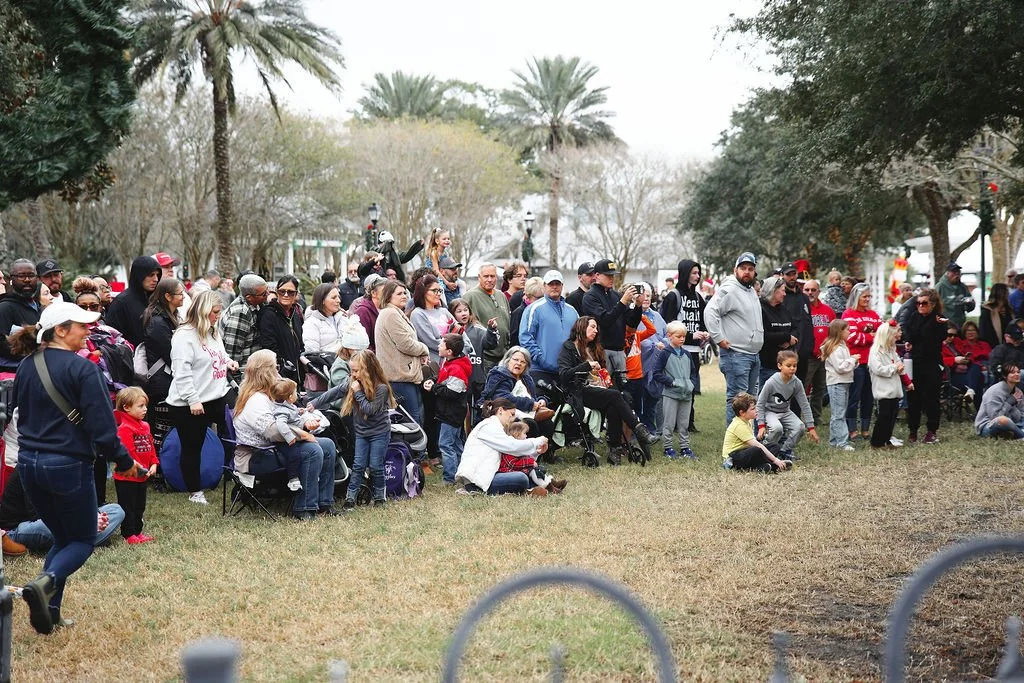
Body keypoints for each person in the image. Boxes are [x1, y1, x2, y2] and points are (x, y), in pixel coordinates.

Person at [13, 302, 145, 634]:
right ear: (61, 330)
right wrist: (127, 462)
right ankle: (45, 583)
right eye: (82, 326)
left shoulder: (28, 365)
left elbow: (19, 415)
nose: (88, 331)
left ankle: (49, 613)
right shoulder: (83, 370)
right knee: (83, 540)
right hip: (67, 466)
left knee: (63, 537)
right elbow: (103, 430)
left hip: (28, 464)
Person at [231, 350, 338, 520]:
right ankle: (304, 508)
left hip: (277, 448)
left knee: (328, 445)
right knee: (312, 450)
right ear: (265, 373)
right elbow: (273, 432)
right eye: (275, 368)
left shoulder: (270, 395)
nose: (278, 372)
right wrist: (303, 434)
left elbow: (287, 419)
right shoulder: (255, 400)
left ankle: (324, 502)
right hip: (256, 455)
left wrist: (304, 423)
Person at [166, 290, 237, 505]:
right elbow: (182, 371)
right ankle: (195, 491)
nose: (218, 316)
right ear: (203, 311)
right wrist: (192, 399)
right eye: (215, 312)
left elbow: (219, 354)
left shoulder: (213, 331)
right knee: (192, 446)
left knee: (232, 434)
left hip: (216, 395)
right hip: (188, 402)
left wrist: (228, 362)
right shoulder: (184, 336)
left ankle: (230, 474)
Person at [557, 316, 659, 465]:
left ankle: (615, 450)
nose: (596, 330)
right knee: (615, 396)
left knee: (614, 404)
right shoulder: (569, 347)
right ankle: (638, 430)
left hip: (598, 390)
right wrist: (587, 366)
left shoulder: (594, 348)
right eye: (592, 327)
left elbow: (603, 374)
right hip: (578, 392)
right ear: (581, 327)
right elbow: (564, 375)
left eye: (596, 328)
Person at [0, 468, 126, 552]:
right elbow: (37, 515)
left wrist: (94, 516)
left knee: (116, 510)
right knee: (47, 528)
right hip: (22, 528)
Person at [705, 251, 764, 424]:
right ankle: (735, 445)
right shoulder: (730, 289)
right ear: (735, 270)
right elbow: (710, 311)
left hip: (753, 354)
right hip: (736, 355)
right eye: (743, 268)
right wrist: (718, 337)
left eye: (750, 269)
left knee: (751, 401)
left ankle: (748, 441)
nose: (747, 272)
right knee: (738, 400)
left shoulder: (750, 290)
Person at [454, 399, 549, 496]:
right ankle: (531, 489)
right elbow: (512, 447)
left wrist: (536, 452)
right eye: (511, 414)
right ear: (500, 411)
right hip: (477, 480)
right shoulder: (488, 426)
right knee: (521, 478)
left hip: (488, 475)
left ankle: (533, 488)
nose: (513, 418)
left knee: (527, 473)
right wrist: (538, 441)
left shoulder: (495, 427)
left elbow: (513, 451)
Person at [339, 350, 396, 510]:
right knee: (358, 465)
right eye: (352, 370)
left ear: (368, 369)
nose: (353, 374)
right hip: (362, 433)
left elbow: (369, 410)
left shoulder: (382, 389)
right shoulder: (354, 382)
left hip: (379, 432)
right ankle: (350, 498)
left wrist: (357, 392)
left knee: (376, 465)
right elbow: (334, 392)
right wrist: (313, 404)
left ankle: (380, 497)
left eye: (356, 370)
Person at [659, 259, 710, 432]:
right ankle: (672, 423)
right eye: (693, 273)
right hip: (677, 350)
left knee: (690, 386)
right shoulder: (673, 296)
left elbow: (703, 320)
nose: (697, 276)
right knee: (675, 386)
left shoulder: (698, 297)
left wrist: (704, 334)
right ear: (685, 273)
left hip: (694, 350)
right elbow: (668, 324)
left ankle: (688, 421)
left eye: (698, 273)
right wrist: (689, 335)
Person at [374, 280, 429, 439]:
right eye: (399, 293)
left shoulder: (395, 312)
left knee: (413, 419)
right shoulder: (390, 314)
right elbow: (405, 344)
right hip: (398, 377)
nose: (404, 296)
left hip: (404, 375)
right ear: (388, 296)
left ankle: (415, 458)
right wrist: (424, 349)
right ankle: (412, 458)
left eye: (405, 292)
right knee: (411, 421)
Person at [422, 333, 471, 484]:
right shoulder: (450, 363)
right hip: (452, 411)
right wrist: (433, 380)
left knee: (446, 445)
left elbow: (453, 392)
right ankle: (465, 472)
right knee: (456, 444)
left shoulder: (456, 368)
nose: (438, 346)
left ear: (449, 351)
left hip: (451, 412)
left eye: (441, 345)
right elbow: (444, 378)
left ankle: (449, 478)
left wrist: (434, 389)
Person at [582, 259, 642, 382]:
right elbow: (605, 320)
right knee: (603, 387)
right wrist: (622, 302)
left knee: (622, 389)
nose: (612, 278)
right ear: (597, 275)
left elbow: (631, 323)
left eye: (613, 275)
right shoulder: (590, 296)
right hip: (601, 350)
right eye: (608, 275)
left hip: (619, 349)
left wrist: (638, 306)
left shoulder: (616, 295)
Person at [519, 270, 579, 390]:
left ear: (562, 286)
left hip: (567, 372)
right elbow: (525, 338)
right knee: (544, 407)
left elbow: (579, 338)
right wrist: (541, 358)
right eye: (551, 284)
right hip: (540, 371)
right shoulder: (534, 309)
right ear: (544, 286)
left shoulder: (572, 311)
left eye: (557, 283)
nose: (554, 287)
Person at [113, 387, 158, 544]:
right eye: (140, 406)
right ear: (126, 407)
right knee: (128, 506)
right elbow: (129, 453)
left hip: (142, 476)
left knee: (140, 505)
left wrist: (154, 463)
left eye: (145, 405)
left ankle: (138, 532)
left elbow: (151, 446)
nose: (145, 409)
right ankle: (128, 534)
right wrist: (141, 468)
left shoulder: (145, 426)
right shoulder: (124, 429)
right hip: (126, 477)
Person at [902, 288, 947, 444]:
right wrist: (909, 341)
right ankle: (913, 430)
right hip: (915, 363)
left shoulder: (938, 319)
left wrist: (937, 325)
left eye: (924, 303)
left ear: (933, 304)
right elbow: (906, 332)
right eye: (918, 303)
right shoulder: (914, 316)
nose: (920, 306)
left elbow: (939, 337)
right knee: (913, 398)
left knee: (931, 398)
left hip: (931, 362)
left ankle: (931, 430)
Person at [756, 350, 819, 459]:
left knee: (799, 427)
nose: (792, 368)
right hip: (770, 411)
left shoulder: (796, 383)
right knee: (777, 428)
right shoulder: (771, 382)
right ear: (780, 366)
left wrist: (811, 427)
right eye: (788, 365)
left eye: (794, 365)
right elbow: (760, 404)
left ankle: (784, 451)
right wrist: (761, 426)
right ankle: (765, 450)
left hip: (785, 411)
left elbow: (804, 404)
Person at [647, 321, 696, 460]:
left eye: (684, 336)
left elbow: (693, 372)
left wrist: (692, 384)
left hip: (686, 394)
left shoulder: (687, 354)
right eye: (678, 336)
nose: (682, 339)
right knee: (668, 423)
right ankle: (668, 448)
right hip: (670, 394)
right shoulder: (665, 354)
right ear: (669, 336)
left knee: (684, 423)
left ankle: (685, 447)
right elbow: (656, 373)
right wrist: (672, 382)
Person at [481, 346, 552, 440]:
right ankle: (525, 453)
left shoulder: (526, 378)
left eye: (523, 362)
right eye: (515, 360)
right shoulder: (499, 375)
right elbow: (502, 398)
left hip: (527, 412)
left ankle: (542, 453)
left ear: (526, 365)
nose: (518, 363)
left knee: (547, 424)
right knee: (530, 425)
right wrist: (530, 404)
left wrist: (540, 401)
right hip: (504, 412)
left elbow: (532, 397)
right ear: (508, 360)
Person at [842, 283, 882, 440]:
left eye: (869, 296)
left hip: (872, 362)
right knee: (854, 396)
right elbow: (852, 338)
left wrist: (867, 334)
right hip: (856, 362)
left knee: (868, 397)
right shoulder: (848, 313)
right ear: (856, 296)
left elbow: (882, 334)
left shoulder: (873, 314)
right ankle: (852, 430)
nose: (867, 299)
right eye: (864, 296)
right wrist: (871, 336)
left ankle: (865, 429)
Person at [447, 298, 498, 417]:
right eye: (459, 311)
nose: (463, 313)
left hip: (476, 376)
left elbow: (491, 344)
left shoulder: (478, 329)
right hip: (458, 377)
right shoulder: (450, 331)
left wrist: (491, 329)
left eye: (466, 310)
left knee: (477, 409)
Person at [270, 378, 321, 492]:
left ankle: (312, 476)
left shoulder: (288, 405)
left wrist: (299, 411)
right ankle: (293, 478)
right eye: (295, 392)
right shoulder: (281, 411)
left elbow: (292, 412)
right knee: (294, 455)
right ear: (290, 397)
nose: (296, 394)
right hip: (286, 440)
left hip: (295, 434)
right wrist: (289, 437)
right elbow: (281, 424)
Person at [868, 322, 913, 449]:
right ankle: (876, 442)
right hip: (883, 389)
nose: (898, 336)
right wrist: (894, 368)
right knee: (884, 415)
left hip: (894, 387)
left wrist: (907, 381)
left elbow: (899, 364)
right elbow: (878, 369)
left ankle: (886, 439)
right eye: (895, 335)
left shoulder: (892, 350)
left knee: (893, 415)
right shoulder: (876, 352)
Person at [721, 393, 791, 473]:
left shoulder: (748, 420)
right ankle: (773, 465)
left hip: (746, 451)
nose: (756, 410)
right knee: (757, 449)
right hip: (733, 458)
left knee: (774, 446)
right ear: (742, 413)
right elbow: (757, 445)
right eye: (753, 409)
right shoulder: (739, 425)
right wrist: (775, 460)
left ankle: (763, 467)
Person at [141, 278, 184, 405]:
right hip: (162, 384)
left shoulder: (173, 316)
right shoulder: (157, 323)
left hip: (168, 379)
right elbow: (170, 353)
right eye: (180, 294)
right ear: (168, 296)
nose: (183, 297)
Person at [105, 256, 161, 346]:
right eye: (151, 275)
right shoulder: (121, 302)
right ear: (139, 275)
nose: (156, 279)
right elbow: (112, 338)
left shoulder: (154, 300)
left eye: (157, 275)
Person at [462, 263, 510, 370]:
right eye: (486, 276)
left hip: (504, 357)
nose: (489, 279)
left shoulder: (501, 295)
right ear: (479, 277)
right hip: (485, 358)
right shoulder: (470, 296)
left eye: (492, 276)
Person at [821, 319, 858, 451]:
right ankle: (842, 442)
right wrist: (853, 360)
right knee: (839, 414)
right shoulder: (835, 348)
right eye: (847, 329)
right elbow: (841, 367)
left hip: (843, 382)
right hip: (837, 383)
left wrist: (853, 361)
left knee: (838, 412)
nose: (849, 332)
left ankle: (835, 440)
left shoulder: (842, 346)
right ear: (839, 331)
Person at [259, 275, 304, 384]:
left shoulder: (295, 315)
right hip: (278, 378)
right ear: (276, 292)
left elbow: (300, 344)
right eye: (282, 291)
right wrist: (283, 371)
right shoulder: (268, 314)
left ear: (296, 295)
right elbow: (269, 347)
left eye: (290, 292)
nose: (286, 295)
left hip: (296, 377)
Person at [497, 421, 565, 493]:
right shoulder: (510, 449)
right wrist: (530, 463)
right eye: (524, 433)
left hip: (519, 469)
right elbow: (513, 463)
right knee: (533, 471)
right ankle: (546, 486)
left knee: (539, 470)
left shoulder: (519, 447)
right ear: (517, 434)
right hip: (511, 471)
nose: (526, 436)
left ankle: (552, 482)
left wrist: (536, 453)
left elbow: (525, 456)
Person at [220, 273, 268, 371]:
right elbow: (232, 353)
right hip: (244, 372)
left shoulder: (254, 305)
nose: (267, 295)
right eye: (263, 294)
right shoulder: (241, 313)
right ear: (249, 297)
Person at [804, 279, 836, 424]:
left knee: (820, 388)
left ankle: (816, 417)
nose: (810, 292)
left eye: (813, 290)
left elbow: (834, 333)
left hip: (824, 356)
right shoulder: (802, 309)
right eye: (807, 290)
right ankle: (800, 417)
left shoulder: (828, 311)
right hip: (808, 356)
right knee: (802, 388)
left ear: (819, 291)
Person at [758, 275, 796, 388]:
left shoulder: (784, 309)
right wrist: (786, 337)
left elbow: (794, 328)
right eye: (782, 291)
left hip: (786, 365)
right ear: (773, 291)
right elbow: (763, 335)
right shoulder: (760, 309)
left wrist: (790, 340)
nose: (785, 294)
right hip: (767, 365)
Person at [410, 274, 456, 364]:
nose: (438, 294)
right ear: (423, 291)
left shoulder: (444, 311)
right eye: (435, 290)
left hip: (454, 361)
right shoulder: (418, 314)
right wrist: (456, 347)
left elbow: (461, 332)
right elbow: (431, 342)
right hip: (435, 364)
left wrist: (464, 347)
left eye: (439, 290)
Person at [942, 323, 987, 408]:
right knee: (979, 379)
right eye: (949, 335)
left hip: (967, 371)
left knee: (976, 367)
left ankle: (971, 392)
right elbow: (938, 360)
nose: (952, 337)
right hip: (951, 375)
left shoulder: (957, 341)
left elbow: (970, 356)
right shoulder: (937, 345)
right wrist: (954, 360)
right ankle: (980, 411)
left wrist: (966, 359)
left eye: (954, 335)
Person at [974, 364, 1024, 439]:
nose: (1017, 374)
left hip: (1015, 423)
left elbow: (1021, 415)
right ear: (1005, 376)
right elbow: (995, 417)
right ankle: (1021, 435)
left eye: (1018, 372)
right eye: (1013, 372)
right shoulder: (995, 391)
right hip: (988, 426)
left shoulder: (1018, 392)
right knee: (1003, 420)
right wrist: (1009, 402)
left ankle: (1011, 433)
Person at [0, 259, 42, 339]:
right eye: (21, 276)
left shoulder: (39, 306)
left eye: (31, 275)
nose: (27, 280)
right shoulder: (5, 308)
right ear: (11, 280)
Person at [302, 282, 345, 354]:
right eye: (334, 297)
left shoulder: (341, 317)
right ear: (322, 300)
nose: (338, 301)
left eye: (339, 297)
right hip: (326, 363)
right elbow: (312, 353)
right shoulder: (312, 323)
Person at [353, 274, 387, 352]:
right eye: (385, 291)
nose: (388, 294)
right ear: (374, 293)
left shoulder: (387, 308)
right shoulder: (363, 311)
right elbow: (364, 344)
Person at [937, 262, 974, 329]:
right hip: (945, 325)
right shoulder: (940, 287)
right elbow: (933, 305)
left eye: (958, 272)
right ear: (947, 273)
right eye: (953, 272)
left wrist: (969, 303)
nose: (956, 275)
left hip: (960, 325)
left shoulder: (963, 287)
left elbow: (970, 306)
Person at [979, 283, 1013, 350]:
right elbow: (984, 331)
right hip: (994, 345)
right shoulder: (987, 311)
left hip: (1009, 345)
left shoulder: (1008, 310)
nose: (1008, 293)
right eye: (1006, 291)